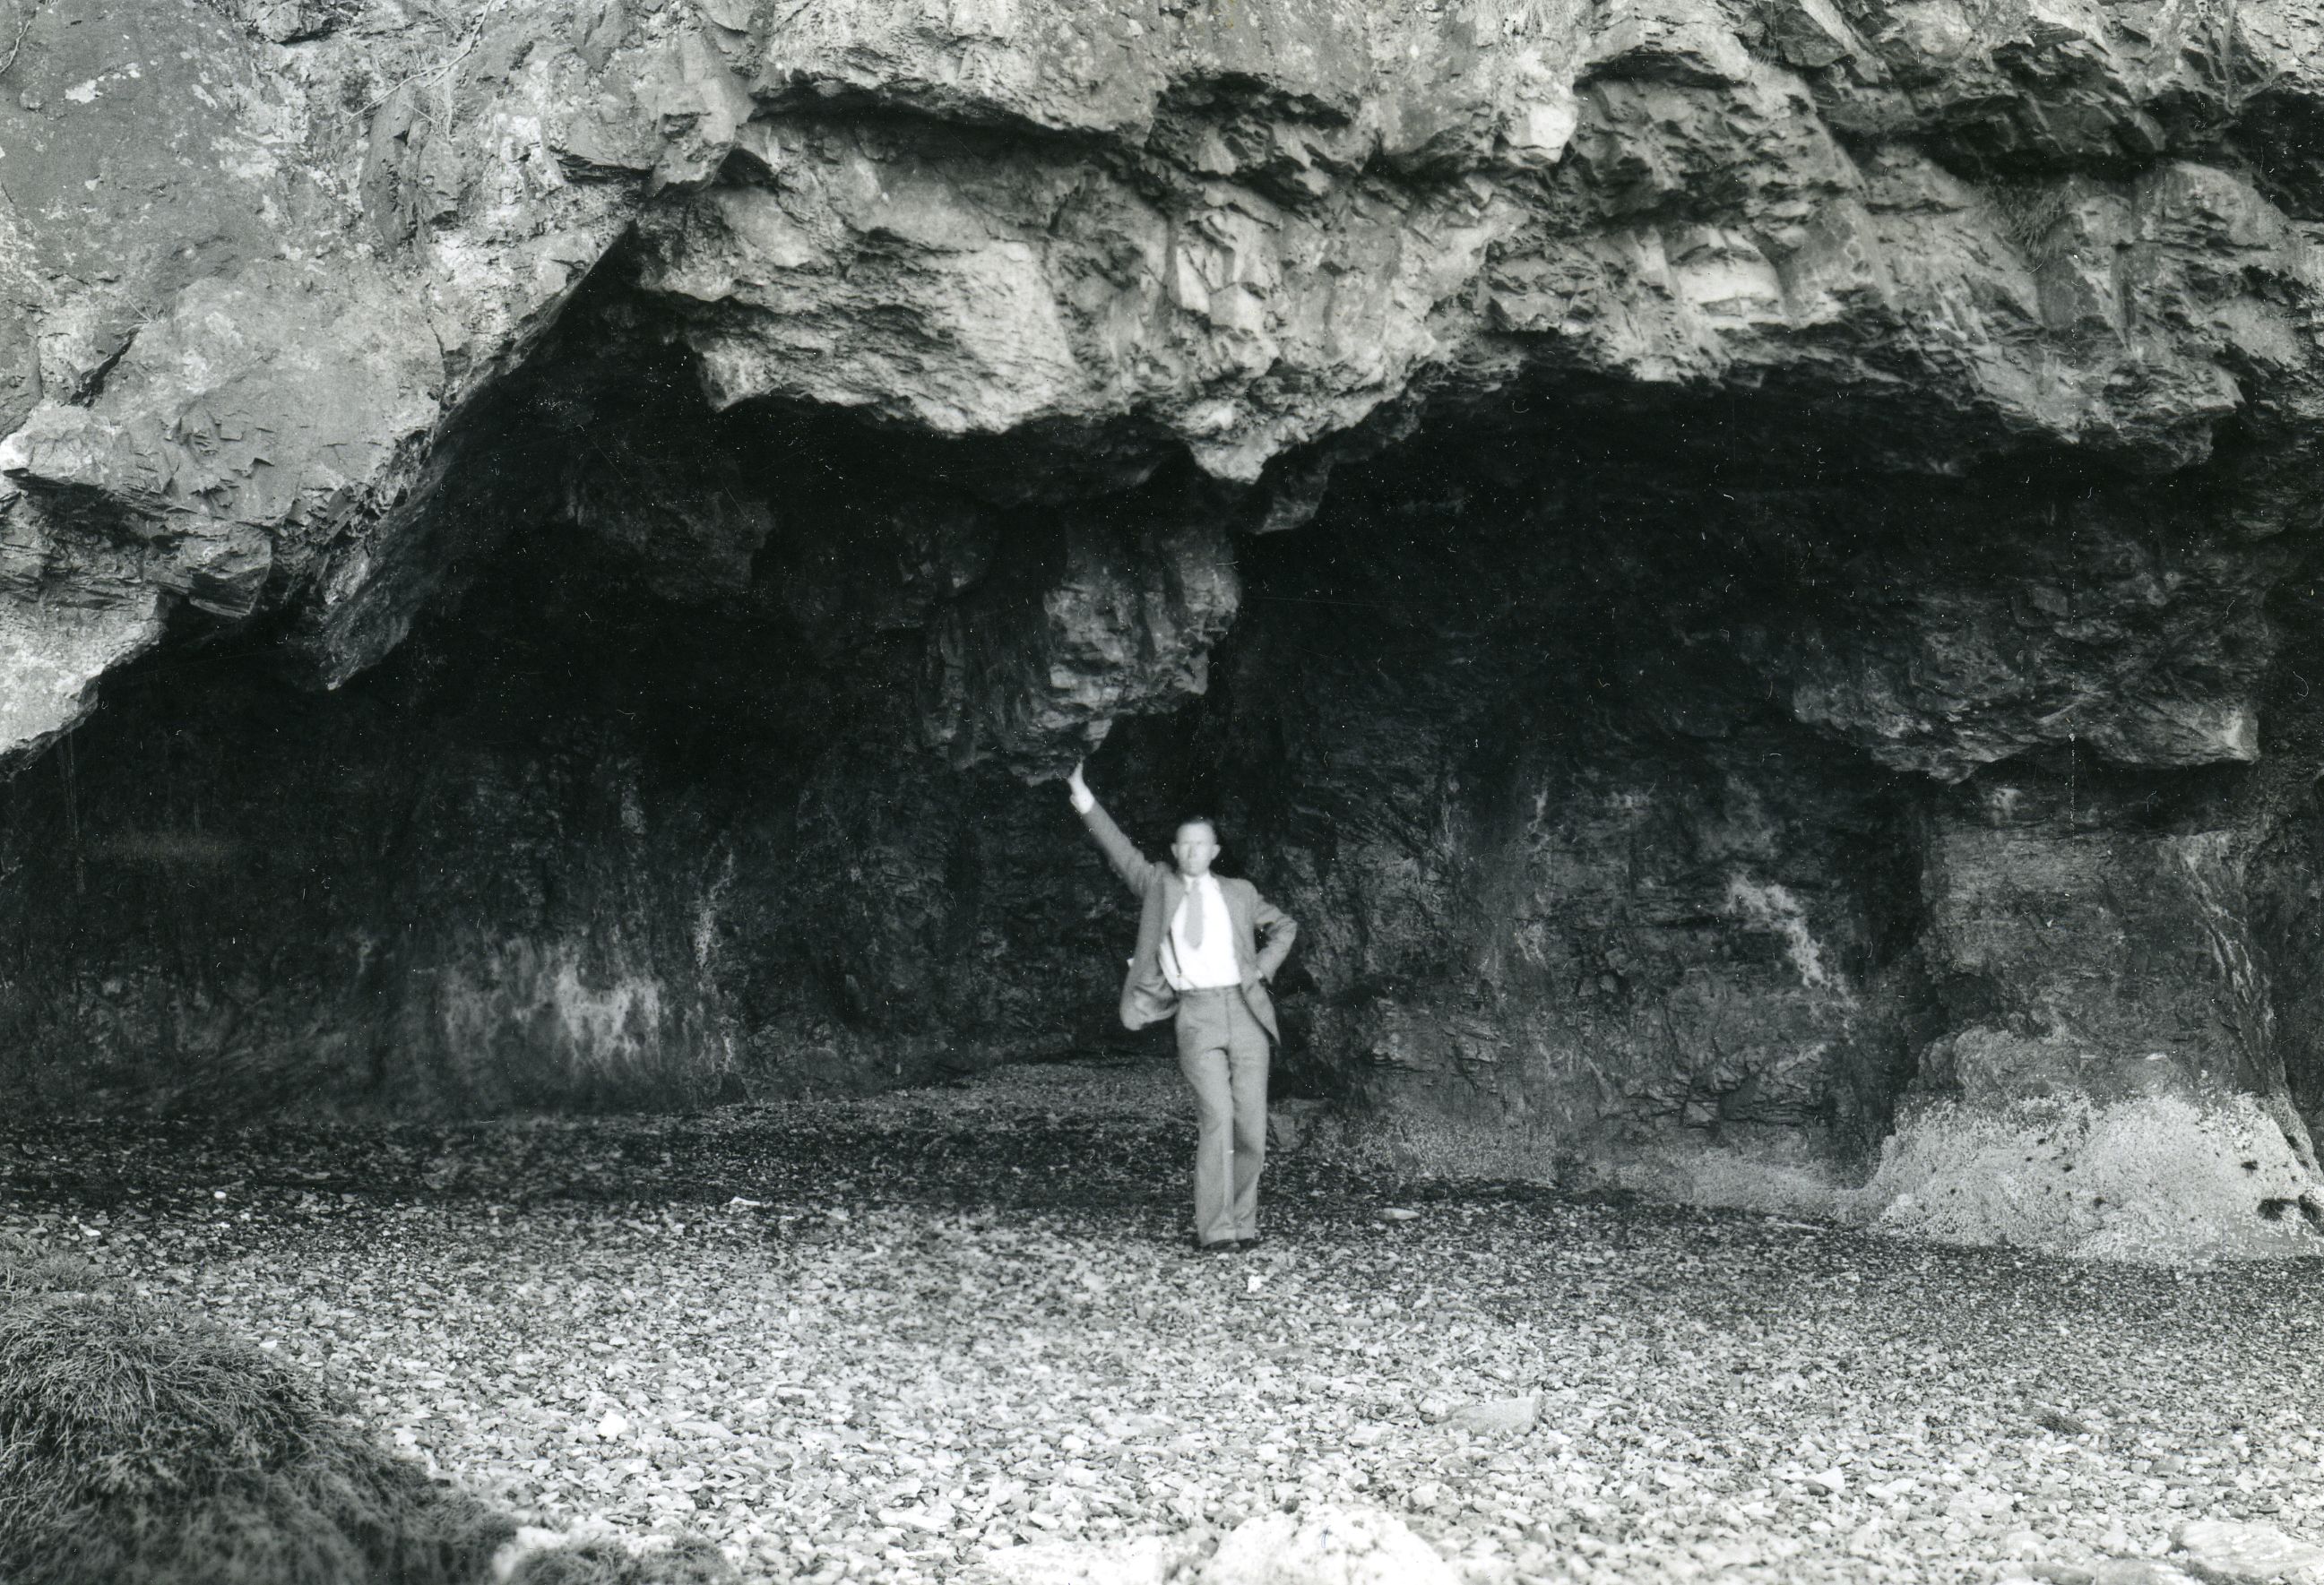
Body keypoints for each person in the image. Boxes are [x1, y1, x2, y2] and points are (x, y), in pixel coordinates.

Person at [1065, 760, 1298, 1254]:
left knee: (1252, 1125)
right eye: (1183, 844)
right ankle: (1215, 1230)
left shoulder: (1240, 893)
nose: (1192, 852)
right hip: (1197, 1015)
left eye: (1201, 845)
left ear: (1213, 851)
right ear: (1175, 850)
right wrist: (1081, 791)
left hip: (1247, 1012)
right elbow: (1118, 848)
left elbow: (1285, 927)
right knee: (1217, 1116)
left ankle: (1243, 1222)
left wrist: (1261, 967)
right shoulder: (1158, 885)